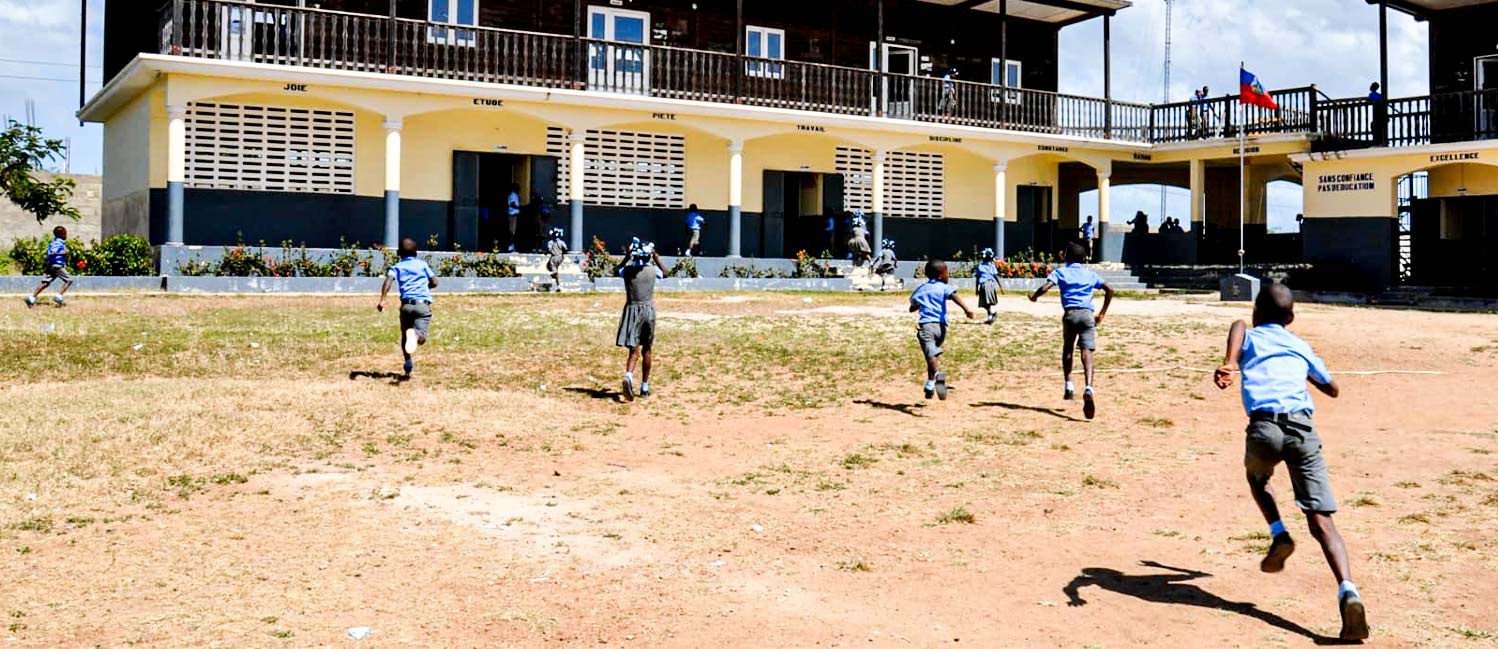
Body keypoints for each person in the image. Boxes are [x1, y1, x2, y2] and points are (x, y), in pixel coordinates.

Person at [1212, 283, 1368, 642]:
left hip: (1265, 428)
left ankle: (1279, 533)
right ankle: (1348, 590)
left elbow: (1237, 325)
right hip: (1302, 430)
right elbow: (1333, 388)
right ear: (1291, 318)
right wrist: (1305, 371)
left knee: (1258, 479)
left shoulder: (1248, 338)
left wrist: (1230, 362)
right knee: (1321, 520)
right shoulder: (1300, 346)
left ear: (1256, 314)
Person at [1028, 241, 1113, 420]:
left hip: (1070, 314)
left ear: (1066, 257)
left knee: (1068, 349)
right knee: (1087, 351)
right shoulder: (1090, 274)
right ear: (1084, 258)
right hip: (1087, 315)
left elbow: (1045, 287)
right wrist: (1102, 313)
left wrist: (1034, 297)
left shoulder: (1061, 272)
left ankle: (1069, 385)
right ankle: (1089, 387)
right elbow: (1109, 289)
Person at [910, 259, 977, 400]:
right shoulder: (944, 287)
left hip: (927, 327)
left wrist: (916, 306)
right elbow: (954, 297)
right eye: (947, 273)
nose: (949, 275)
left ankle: (937, 376)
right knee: (932, 356)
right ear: (941, 275)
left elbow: (913, 303)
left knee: (930, 355)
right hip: (941, 328)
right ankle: (930, 384)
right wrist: (967, 310)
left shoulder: (922, 289)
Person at [376, 238, 438, 376]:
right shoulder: (422, 265)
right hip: (422, 305)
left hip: (405, 306)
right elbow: (434, 282)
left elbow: (388, 281)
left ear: (399, 253)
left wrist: (383, 299)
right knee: (420, 338)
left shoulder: (397, 267)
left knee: (405, 335)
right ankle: (415, 336)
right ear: (416, 252)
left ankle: (408, 362)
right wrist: (425, 287)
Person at [616, 239, 668, 401]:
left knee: (633, 350)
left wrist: (626, 257)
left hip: (632, 309)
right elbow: (666, 273)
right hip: (648, 310)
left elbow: (616, 270)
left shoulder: (628, 271)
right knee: (647, 349)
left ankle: (629, 375)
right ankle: (645, 386)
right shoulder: (652, 271)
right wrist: (657, 257)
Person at [26, 225, 75, 308]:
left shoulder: (53, 242)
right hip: (57, 265)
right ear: (62, 234)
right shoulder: (58, 243)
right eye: (65, 234)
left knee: (45, 283)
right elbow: (52, 253)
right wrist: (63, 253)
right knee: (69, 280)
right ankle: (58, 296)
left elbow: (49, 253)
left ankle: (31, 298)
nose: (66, 235)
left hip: (52, 265)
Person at [974, 247, 1006, 326]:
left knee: (986, 302)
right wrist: (1001, 287)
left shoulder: (982, 266)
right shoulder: (988, 266)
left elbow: (978, 279)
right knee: (985, 303)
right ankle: (990, 316)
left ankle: (992, 313)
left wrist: (976, 289)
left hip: (986, 285)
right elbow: (996, 277)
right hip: (988, 285)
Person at [545, 227, 568, 292]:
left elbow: (548, 249)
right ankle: (558, 286)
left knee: (552, 268)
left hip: (554, 257)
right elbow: (566, 249)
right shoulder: (561, 242)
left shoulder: (550, 242)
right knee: (556, 271)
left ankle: (554, 273)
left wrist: (545, 253)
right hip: (561, 257)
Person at [506, 183, 522, 252]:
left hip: (515, 215)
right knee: (512, 231)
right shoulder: (513, 195)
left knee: (514, 231)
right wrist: (519, 207)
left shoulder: (515, 195)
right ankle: (510, 246)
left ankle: (512, 246)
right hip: (512, 215)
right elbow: (512, 204)